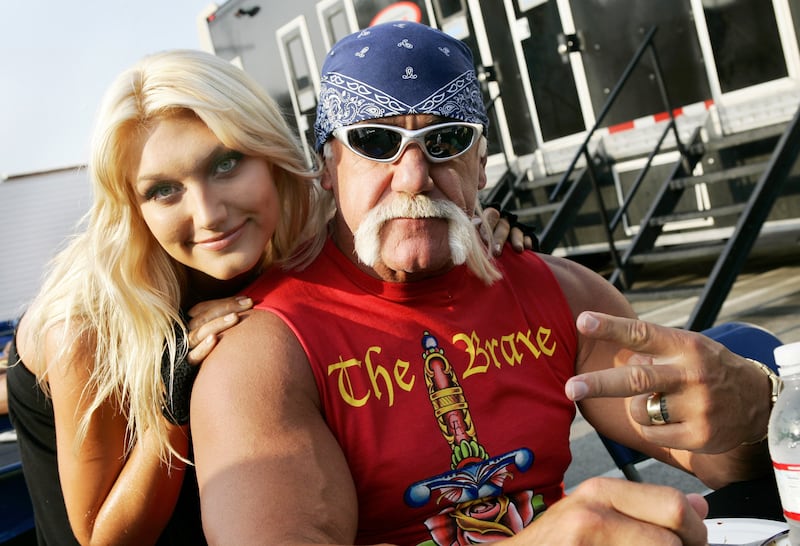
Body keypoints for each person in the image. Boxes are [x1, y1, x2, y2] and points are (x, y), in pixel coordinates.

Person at [191, 22, 778, 545]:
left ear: (483, 162)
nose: (413, 177)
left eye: (446, 141)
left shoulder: (565, 297)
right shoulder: (265, 351)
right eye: (375, 141)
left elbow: (716, 456)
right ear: (326, 164)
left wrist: (758, 410)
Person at [5, 48, 525, 546]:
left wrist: (484, 235)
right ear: (133, 207)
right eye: (163, 190)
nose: (209, 214)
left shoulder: (302, 235)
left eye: (226, 164)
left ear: (270, 154)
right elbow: (102, 536)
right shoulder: (86, 327)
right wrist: (170, 406)